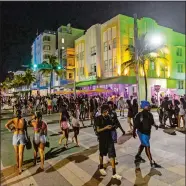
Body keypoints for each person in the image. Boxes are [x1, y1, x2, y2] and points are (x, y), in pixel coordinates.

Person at [95, 104, 122, 180]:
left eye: (108, 111)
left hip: (109, 138)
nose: (108, 112)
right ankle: (101, 167)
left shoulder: (109, 118)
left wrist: (113, 127)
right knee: (102, 153)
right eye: (107, 111)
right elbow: (98, 130)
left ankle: (114, 173)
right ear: (104, 111)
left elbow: (112, 125)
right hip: (102, 139)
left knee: (112, 155)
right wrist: (105, 128)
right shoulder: (98, 118)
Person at [133, 101, 160, 168]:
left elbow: (152, 122)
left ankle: (138, 156)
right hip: (142, 133)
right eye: (148, 105)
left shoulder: (150, 114)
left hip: (147, 133)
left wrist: (155, 125)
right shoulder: (139, 115)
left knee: (143, 144)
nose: (149, 106)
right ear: (144, 106)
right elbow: (135, 124)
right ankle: (152, 162)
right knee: (147, 146)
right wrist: (133, 132)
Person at [5, 110, 27, 174]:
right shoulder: (23, 120)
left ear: (15, 114)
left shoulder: (13, 120)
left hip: (15, 135)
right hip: (22, 135)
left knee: (16, 153)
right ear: (20, 114)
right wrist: (27, 137)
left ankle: (17, 164)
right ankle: (20, 168)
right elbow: (25, 130)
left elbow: (6, 125)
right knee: (21, 154)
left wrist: (10, 129)